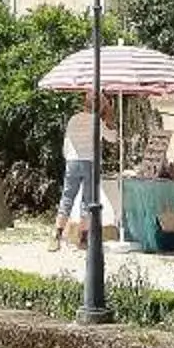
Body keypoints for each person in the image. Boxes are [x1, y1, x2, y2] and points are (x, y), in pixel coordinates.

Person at [57, 97, 108, 251]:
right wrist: (109, 118)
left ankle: (56, 235)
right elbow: (112, 137)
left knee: (67, 197)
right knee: (87, 200)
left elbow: (67, 141)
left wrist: (68, 158)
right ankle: (83, 238)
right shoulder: (97, 121)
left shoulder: (73, 119)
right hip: (89, 161)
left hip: (72, 160)